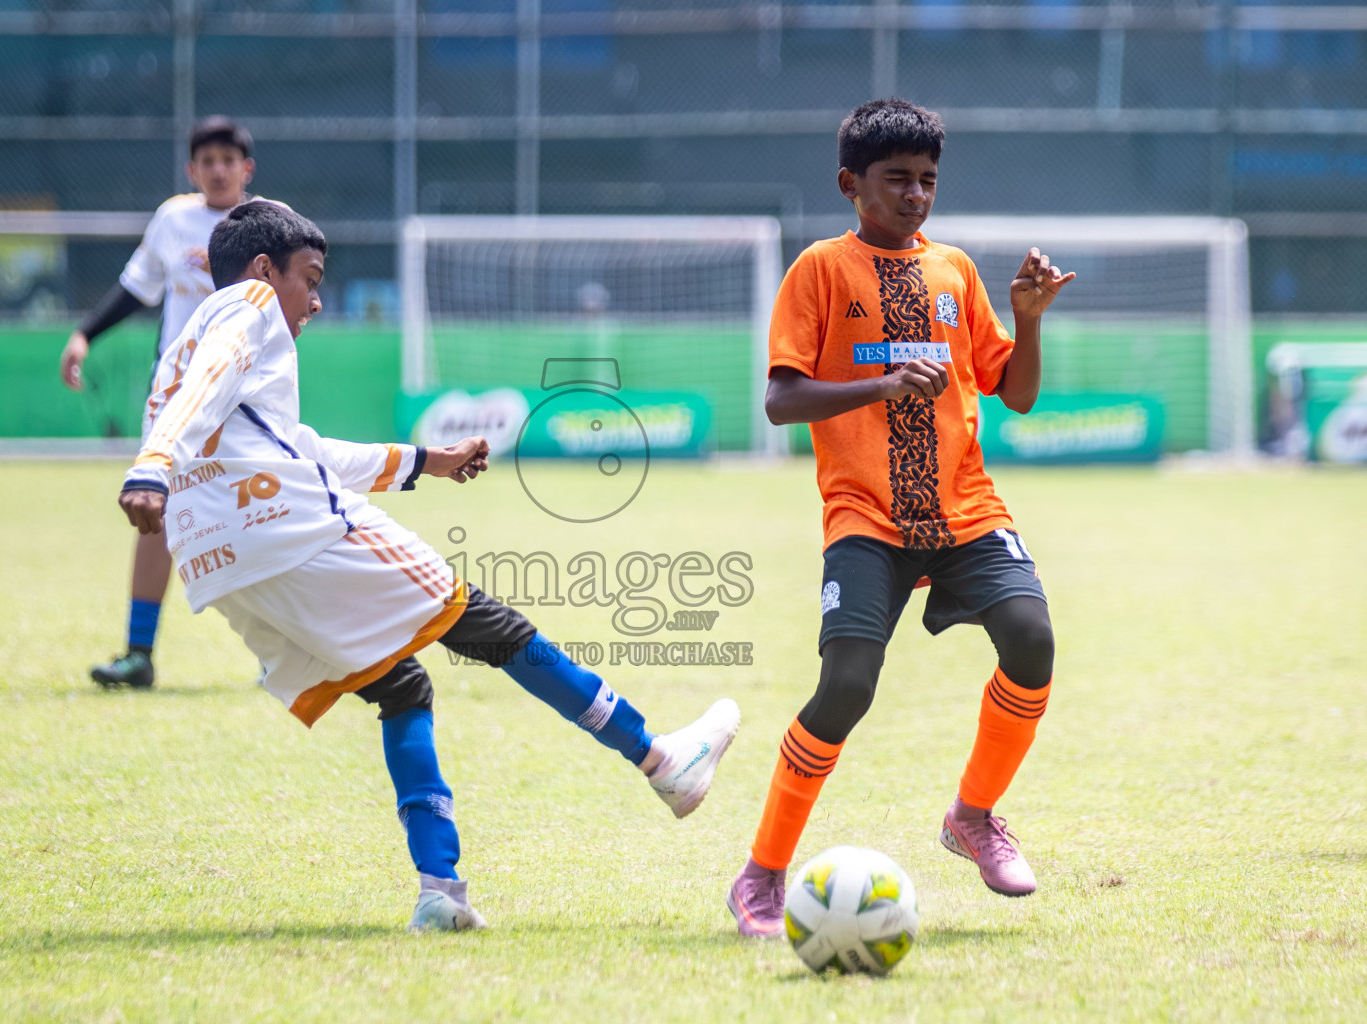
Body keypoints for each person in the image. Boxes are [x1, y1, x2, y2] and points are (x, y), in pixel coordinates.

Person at [117, 201, 741, 931]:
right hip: (290, 529)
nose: (316, 301)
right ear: (263, 271)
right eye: (309, 279)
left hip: (223, 566)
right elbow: (222, 402)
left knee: (403, 686)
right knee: (484, 622)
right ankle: (661, 759)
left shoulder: (187, 342)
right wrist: (152, 466)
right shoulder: (248, 308)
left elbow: (299, 448)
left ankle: (440, 893)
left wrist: (424, 462)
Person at [727, 98, 1075, 937]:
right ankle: (762, 875)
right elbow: (781, 401)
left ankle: (974, 817)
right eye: (897, 181)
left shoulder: (954, 270)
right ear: (852, 185)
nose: (916, 195)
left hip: (967, 510)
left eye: (927, 181)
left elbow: (1015, 393)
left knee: (1032, 641)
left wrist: (1027, 322)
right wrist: (879, 385)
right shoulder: (819, 268)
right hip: (866, 520)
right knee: (845, 687)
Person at [61, 116, 265, 689]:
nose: (219, 168)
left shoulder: (268, 223)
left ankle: (282, 654)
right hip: (176, 399)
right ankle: (138, 653)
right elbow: (137, 287)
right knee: (156, 514)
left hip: (245, 399)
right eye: (208, 159)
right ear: (191, 169)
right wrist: (85, 335)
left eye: (229, 158)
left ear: (246, 169)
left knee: (262, 513)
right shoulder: (174, 219)